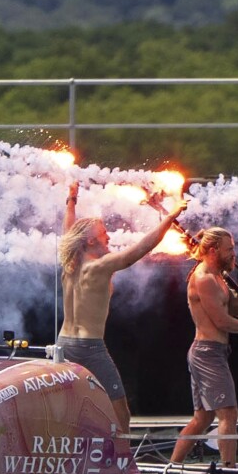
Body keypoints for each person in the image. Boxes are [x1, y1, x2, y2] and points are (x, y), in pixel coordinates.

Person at [58, 181, 186, 434]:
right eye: (104, 232)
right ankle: (122, 464)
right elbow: (140, 249)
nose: (109, 236)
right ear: (91, 241)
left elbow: (69, 231)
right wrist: (171, 215)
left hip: (64, 343)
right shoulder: (98, 266)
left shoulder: (70, 262)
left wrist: (71, 200)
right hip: (89, 348)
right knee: (121, 413)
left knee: (73, 410)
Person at [168, 227, 238, 468]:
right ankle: (228, 470)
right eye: (229, 249)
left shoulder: (217, 277)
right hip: (207, 352)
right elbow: (220, 321)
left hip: (214, 352)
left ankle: (170, 468)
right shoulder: (203, 278)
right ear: (213, 251)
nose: (234, 253)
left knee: (202, 418)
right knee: (229, 413)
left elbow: (227, 310)